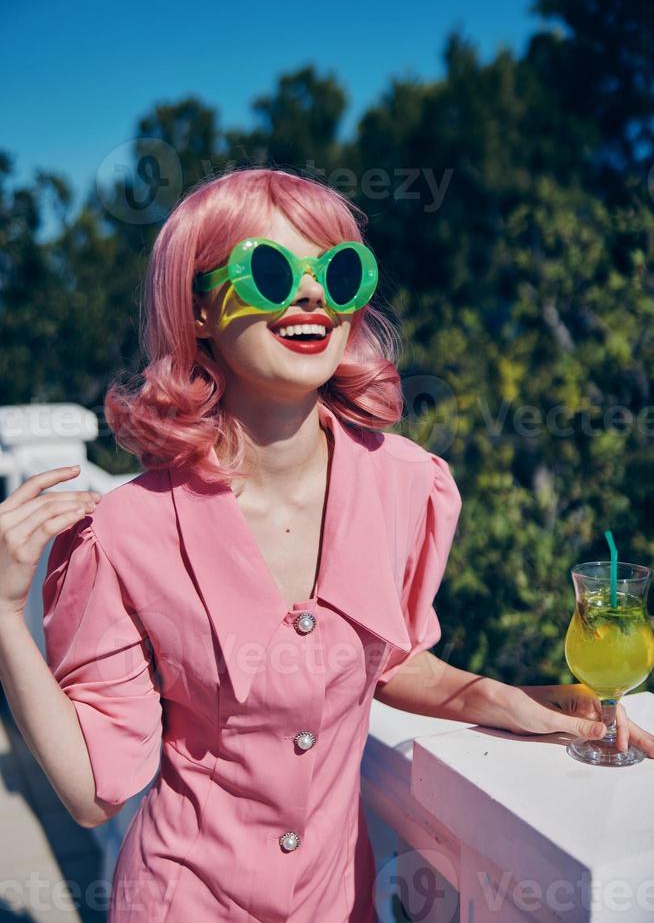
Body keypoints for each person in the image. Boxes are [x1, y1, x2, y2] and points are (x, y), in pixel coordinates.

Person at [1, 167, 653, 922]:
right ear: (200, 309)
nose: (312, 297)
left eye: (339, 273)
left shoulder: (409, 485)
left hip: (340, 901)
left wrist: (516, 702)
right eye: (273, 272)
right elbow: (93, 793)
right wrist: (4, 614)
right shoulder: (125, 533)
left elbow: (391, 660)